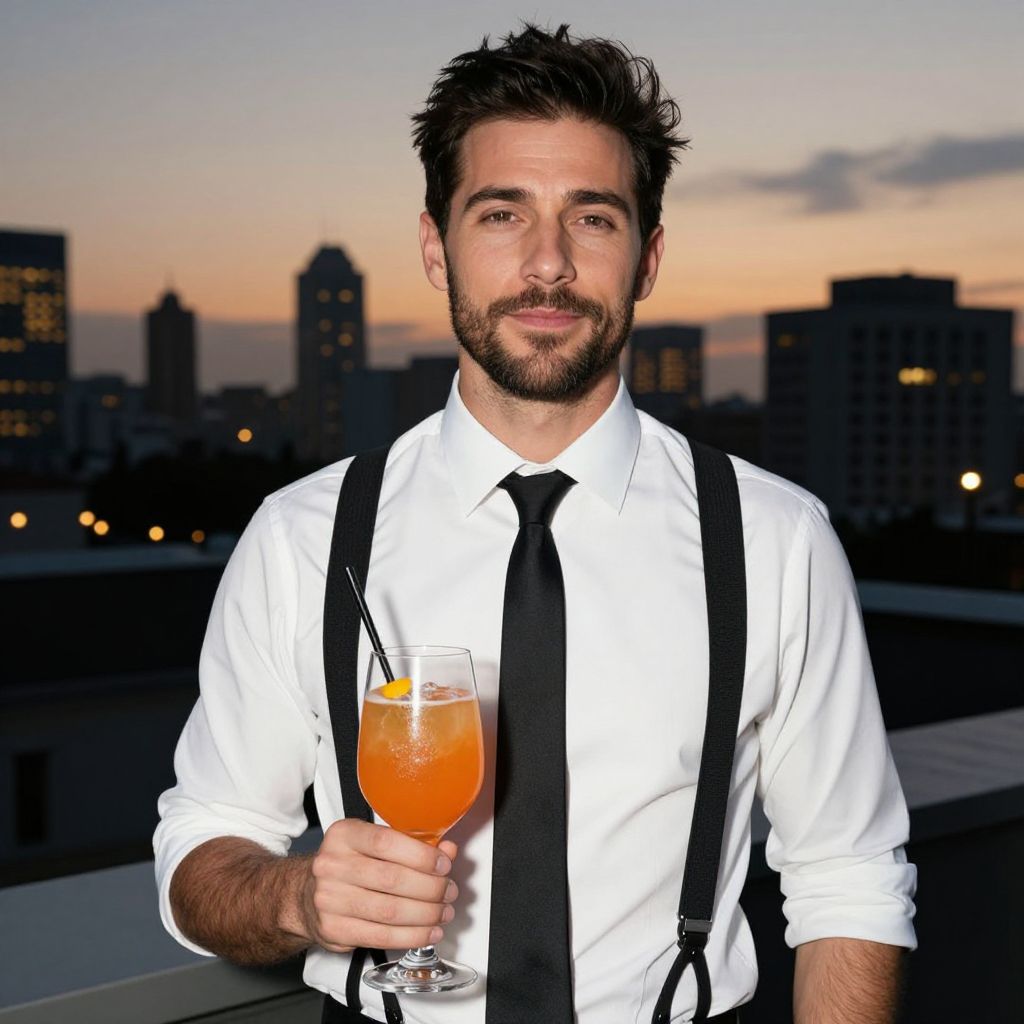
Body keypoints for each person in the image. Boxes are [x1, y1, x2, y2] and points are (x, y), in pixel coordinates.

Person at [155, 23, 917, 1024]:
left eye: (592, 219)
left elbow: (848, 875)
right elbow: (203, 846)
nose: (548, 264)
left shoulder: (775, 538)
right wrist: (295, 896)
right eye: (502, 213)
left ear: (645, 257)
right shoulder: (305, 535)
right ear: (437, 246)